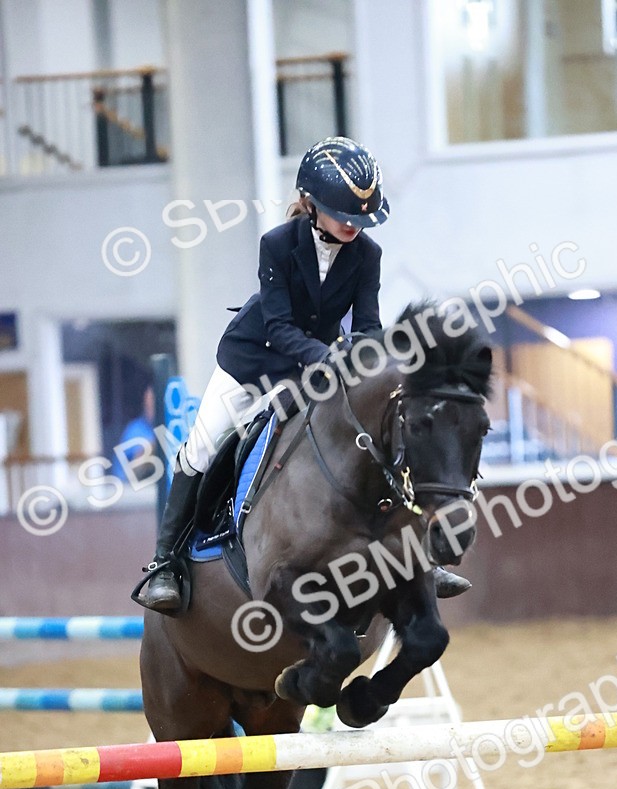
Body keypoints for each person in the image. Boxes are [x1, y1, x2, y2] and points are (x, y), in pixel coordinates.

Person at [137, 136, 468, 612]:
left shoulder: (366, 255)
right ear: (311, 205)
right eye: (344, 214)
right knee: (205, 444)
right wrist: (329, 355)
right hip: (254, 360)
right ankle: (165, 561)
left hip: (315, 364)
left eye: (361, 217)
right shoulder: (277, 244)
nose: (354, 225)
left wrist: (365, 356)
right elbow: (277, 327)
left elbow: (368, 324)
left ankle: (414, 557)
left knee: (373, 439)